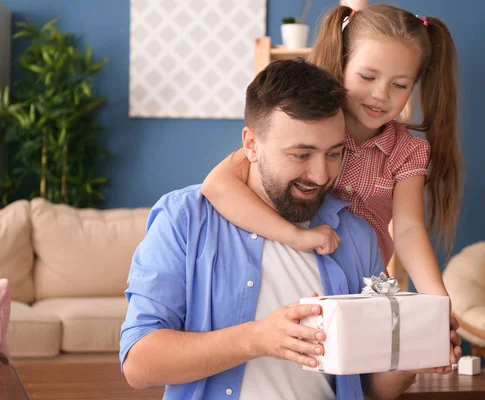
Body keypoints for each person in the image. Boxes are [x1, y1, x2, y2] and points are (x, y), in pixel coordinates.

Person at [120, 59, 441, 400]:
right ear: (251, 145)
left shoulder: (356, 235)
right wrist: (257, 339)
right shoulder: (185, 219)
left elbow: (370, 389)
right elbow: (139, 363)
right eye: (301, 155)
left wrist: (409, 361)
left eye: (334, 154)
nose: (320, 175)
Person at [201, 2, 463, 362]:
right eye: (367, 77)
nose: (380, 94)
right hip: (288, 263)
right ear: (342, 66)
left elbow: (408, 230)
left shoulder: (407, 150)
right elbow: (217, 186)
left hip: (356, 284)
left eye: (399, 85)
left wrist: (439, 306)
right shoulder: (303, 126)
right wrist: (296, 236)